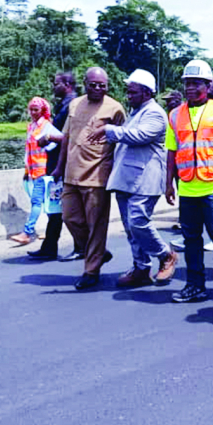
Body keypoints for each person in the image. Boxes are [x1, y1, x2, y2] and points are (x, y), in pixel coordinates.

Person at [88, 69, 178, 287]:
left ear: (146, 93)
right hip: (126, 178)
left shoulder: (155, 113)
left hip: (145, 178)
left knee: (138, 222)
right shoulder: (136, 112)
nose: (128, 96)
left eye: (132, 92)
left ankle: (165, 254)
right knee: (130, 227)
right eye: (128, 92)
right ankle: (140, 267)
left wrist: (109, 130)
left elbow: (140, 136)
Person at [165, 59, 213, 303]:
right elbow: (172, 150)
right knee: (191, 239)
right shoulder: (175, 114)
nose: (190, 88)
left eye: (196, 83)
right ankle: (195, 285)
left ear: (208, 85)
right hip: (188, 186)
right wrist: (168, 183)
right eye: (187, 83)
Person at [54, 68, 127, 290]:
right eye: (93, 84)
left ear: (107, 85)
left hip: (98, 175)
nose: (97, 88)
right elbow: (67, 137)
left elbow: (122, 142)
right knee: (69, 218)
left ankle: (91, 270)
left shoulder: (115, 108)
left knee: (96, 225)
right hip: (71, 173)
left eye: (102, 85)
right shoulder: (74, 105)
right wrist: (59, 166)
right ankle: (98, 252)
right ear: (85, 83)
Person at [30, 71, 78, 261]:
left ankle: (80, 246)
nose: (53, 87)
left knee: (67, 208)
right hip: (57, 163)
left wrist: (48, 137)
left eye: (56, 83)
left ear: (67, 84)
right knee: (55, 207)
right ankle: (50, 245)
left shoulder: (71, 106)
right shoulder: (64, 105)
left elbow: (72, 135)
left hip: (63, 164)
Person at [11, 97, 55, 246]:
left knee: (36, 201)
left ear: (42, 110)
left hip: (43, 170)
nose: (33, 112)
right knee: (44, 202)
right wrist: (26, 170)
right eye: (31, 110)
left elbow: (54, 146)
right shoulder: (31, 127)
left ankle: (27, 233)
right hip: (32, 170)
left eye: (36, 110)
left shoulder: (47, 126)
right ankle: (51, 229)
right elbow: (28, 150)